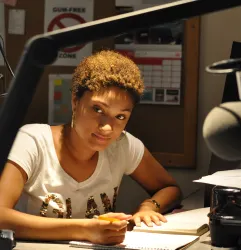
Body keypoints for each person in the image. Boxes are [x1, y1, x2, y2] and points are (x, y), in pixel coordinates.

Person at [0, 50, 183, 245]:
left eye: (120, 116)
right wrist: (85, 230)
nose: (106, 127)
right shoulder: (32, 141)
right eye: (97, 109)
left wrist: (149, 206)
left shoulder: (123, 145)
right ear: (75, 102)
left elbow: (170, 188)